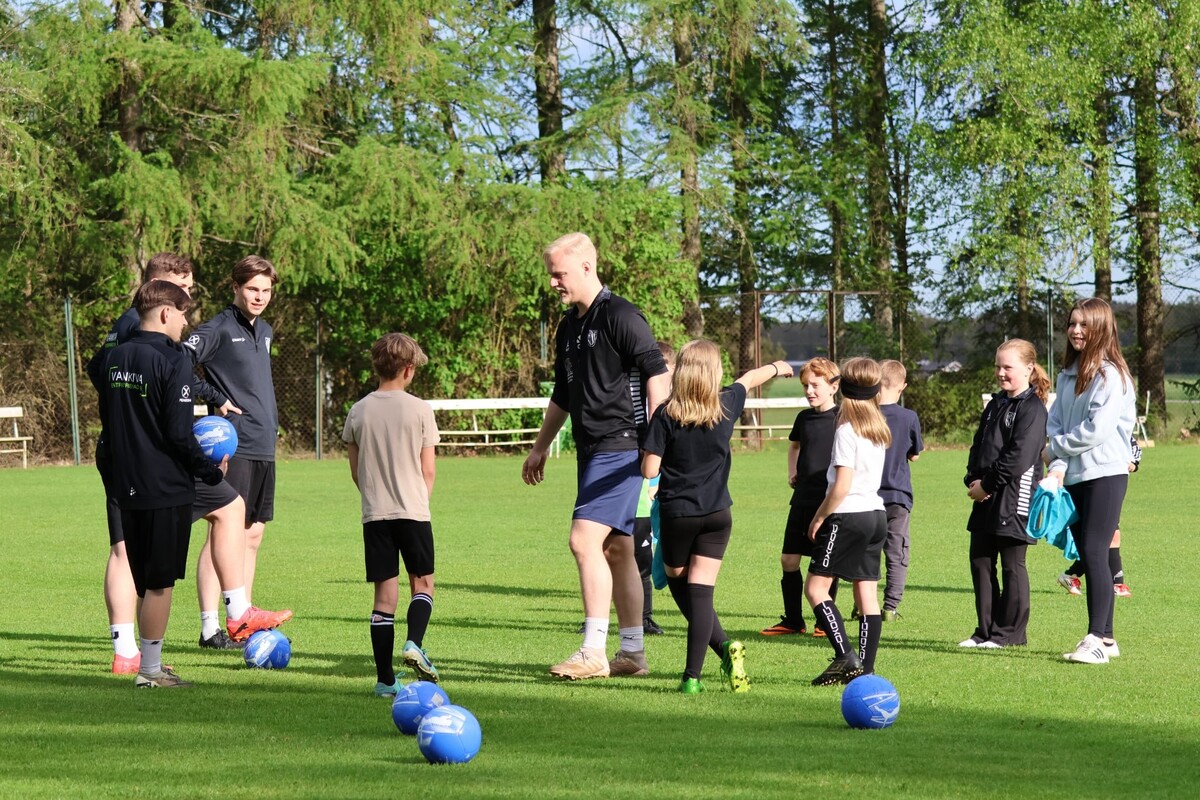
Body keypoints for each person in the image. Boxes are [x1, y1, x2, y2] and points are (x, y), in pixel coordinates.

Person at [86, 253, 254, 672]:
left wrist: (126, 424)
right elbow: (178, 434)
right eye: (183, 306)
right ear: (164, 308)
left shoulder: (117, 351)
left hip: (122, 465)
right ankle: (151, 668)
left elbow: (99, 373)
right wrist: (209, 469)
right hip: (160, 476)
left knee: (130, 558)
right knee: (157, 580)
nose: (186, 320)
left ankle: (131, 654)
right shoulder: (170, 355)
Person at [521, 232, 670, 680]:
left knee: (583, 541)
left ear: (586, 267)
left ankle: (592, 652)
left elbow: (658, 377)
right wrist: (541, 446)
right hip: (592, 451)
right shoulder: (569, 326)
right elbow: (563, 395)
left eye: (559, 274)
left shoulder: (622, 316)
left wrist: (657, 441)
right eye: (551, 274)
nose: (553, 283)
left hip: (622, 447)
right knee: (616, 549)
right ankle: (633, 654)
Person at [643, 339, 793, 693]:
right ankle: (695, 675)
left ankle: (721, 650)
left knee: (677, 581)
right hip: (718, 515)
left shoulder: (666, 414)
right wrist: (779, 367)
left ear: (681, 371)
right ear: (714, 372)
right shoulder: (727, 403)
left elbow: (650, 469)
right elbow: (749, 378)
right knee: (701, 593)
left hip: (679, 514)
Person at [343, 333, 441, 696]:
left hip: (375, 515)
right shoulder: (420, 410)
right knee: (422, 584)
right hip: (413, 511)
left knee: (384, 599)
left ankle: (385, 680)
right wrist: (418, 501)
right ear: (409, 369)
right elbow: (428, 470)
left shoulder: (358, 411)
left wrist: (375, 498)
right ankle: (414, 643)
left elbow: (356, 471)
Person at [184, 255, 280, 617]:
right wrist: (215, 397)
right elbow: (178, 364)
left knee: (252, 534)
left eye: (265, 290)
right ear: (235, 287)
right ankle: (210, 625)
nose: (259, 296)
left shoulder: (265, 330)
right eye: (252, 289)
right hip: (233, 445)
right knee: (223, 533)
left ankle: (243, 619)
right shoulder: (218, 328)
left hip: (263, 443)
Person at [1045, 297, 1137, 664]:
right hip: (1075, 476)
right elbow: (1056, 423)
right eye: (1072, 323)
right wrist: (1058, 464)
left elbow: (1096, 430)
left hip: (1106, 474)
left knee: (1095, 550)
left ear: (1101, 328)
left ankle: (1097, 638)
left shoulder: (1111, 375)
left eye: (1084, 324)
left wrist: (1054, 450)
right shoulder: (1067, 374)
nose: (1076, 330)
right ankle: (1108, 639)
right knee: (1087, 551)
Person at [804, 357, 890, 686]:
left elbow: (841, 486)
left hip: (848, 515)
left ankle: (845, 656)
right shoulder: (878, 430)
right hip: (876, 515)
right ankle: (864, 671)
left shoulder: (846, 429)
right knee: (866, 594)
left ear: (843, 389)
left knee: (815, 588)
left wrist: (820, 516)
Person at [960, 339, 1050, 649]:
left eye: (1007, 367)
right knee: (980, 561)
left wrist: (987, 485)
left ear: (1028, 368)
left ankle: (1009, 634)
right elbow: (979, 445)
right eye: (998, 366)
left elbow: (1019, 457)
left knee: (1013, 565)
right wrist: (973, 478)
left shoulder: (1033, 408)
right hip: (984, 493)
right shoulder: (996, 403)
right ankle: (985, 631)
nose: (1001, 373)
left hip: (1014, 496)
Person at [761, 357, 840, 637]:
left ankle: (824, 622)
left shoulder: (842, 418)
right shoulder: (804, 418)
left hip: (829, 501)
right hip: (802, 498)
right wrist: (792, 471)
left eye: (815, 385)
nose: (809, 391)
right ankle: (794, 621)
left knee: (825, 565)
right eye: (806, 385)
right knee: (789, 560)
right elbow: (794, 446)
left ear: (833, 386)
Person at [1057, 436, 1141, 597]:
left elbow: (1134, 447)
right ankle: (1117, 583)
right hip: (1093, 483)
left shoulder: (1119, 428)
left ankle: (1072, 575)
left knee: (1106, 537)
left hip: (1114, 483)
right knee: (1107, 536)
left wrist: (1134, 463)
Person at [877, 360, 923, 621]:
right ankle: (890, 607)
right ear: (902, 386)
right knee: (896, 552)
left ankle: (863, 604)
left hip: (868, 496)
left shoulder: (866, 414)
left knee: (867, 551)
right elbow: (915, 455)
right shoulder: (909, 417)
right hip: (898, 497)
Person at [635, 340, 676, 636]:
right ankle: (640, 618)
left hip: (661, 492)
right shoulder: (638, 401)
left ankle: (645, 618)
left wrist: (658, 483)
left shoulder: (673, 406)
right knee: (630, 556)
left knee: (649, 560)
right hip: (637, 492)